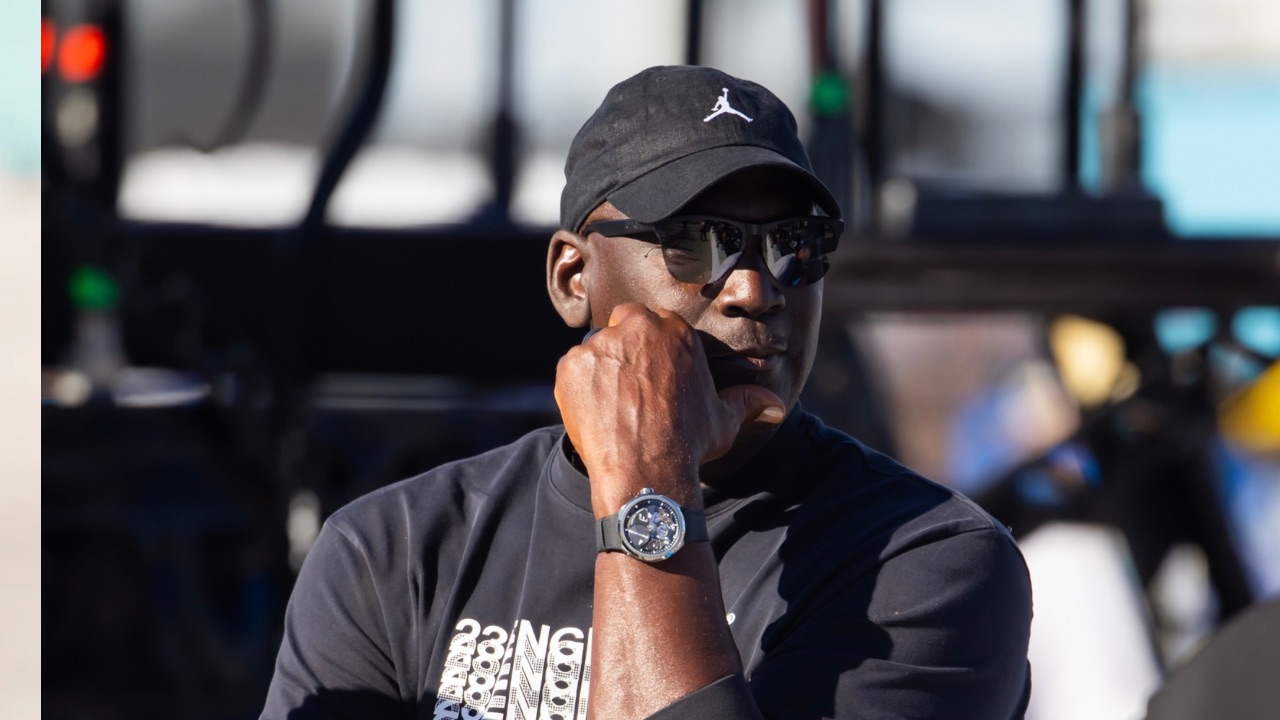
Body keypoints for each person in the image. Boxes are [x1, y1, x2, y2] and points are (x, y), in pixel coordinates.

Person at [261, 65, 1032, 720]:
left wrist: (646, 485)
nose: (757, 290)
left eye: (794, 244)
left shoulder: (927, 561)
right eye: (697, 241)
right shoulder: (394, 551)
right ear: (573, 279)